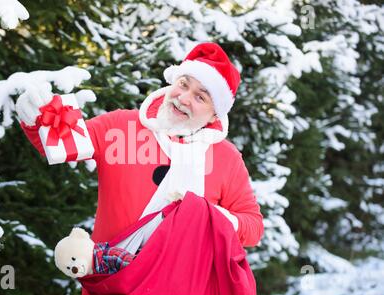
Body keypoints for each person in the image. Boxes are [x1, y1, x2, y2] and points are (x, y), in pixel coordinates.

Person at [16, 42, 264, 266]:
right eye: (183, 84)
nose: (184, 98)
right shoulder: (121, 125)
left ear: (215, 115)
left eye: (200, 97)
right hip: (111, 287)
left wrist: (213, 217)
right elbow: (60, 145)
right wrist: (34, 117)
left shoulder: (227, 158)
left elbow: (253, 228)